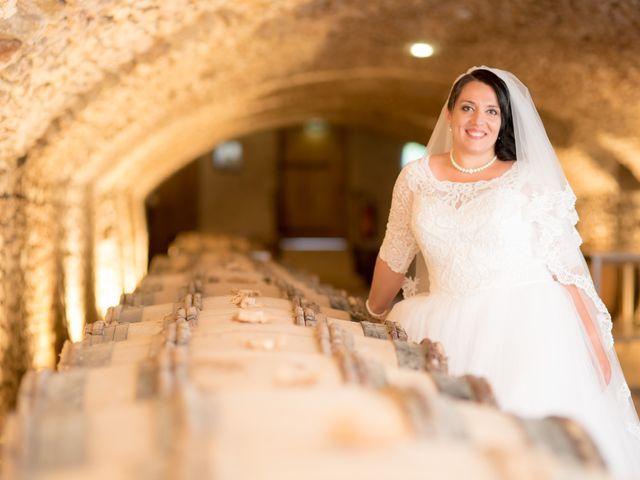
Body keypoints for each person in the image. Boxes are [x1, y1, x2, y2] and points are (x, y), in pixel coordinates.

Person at [366, 66, 640, 477]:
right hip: (438, 325)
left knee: (518, 447)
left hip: (526, 327)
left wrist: (596, 347)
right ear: (449, 114)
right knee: (449, 450)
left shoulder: (528, 180)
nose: (479, 121)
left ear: (504, 120)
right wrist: (372, 310)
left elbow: (566, 270)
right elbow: (395, 251)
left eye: (492, 112)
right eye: (469, 108)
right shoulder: (416, 178)